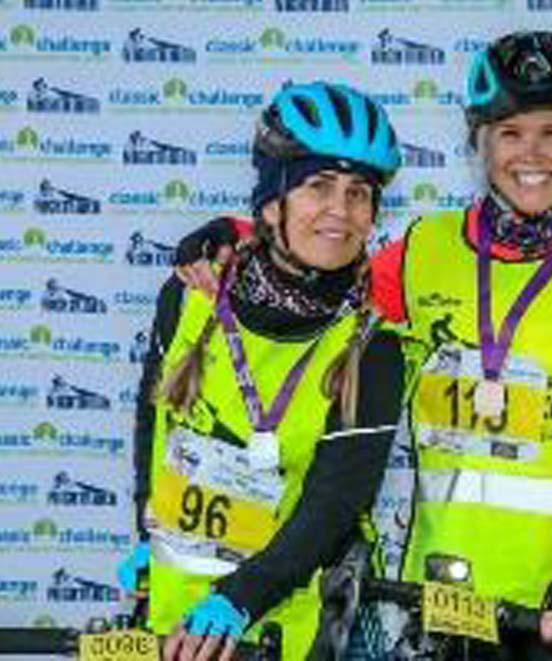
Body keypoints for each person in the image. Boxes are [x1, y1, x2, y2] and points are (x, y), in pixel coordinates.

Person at [171, 30, 552, 658]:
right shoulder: (425, 249)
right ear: (480, 145)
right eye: (509, 133)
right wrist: (235, 232)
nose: (532, 154)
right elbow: (323, 263)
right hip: (435, 604)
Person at [116, 81, 405, 661]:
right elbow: (156, 424)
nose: (340, 212)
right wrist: (148, 527)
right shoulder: (192, 295)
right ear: (273, 202)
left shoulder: (372, 347)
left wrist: (237, 601)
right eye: (318, 187)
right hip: (172, 614)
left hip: (284, 628)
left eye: (358, 194)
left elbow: (331, 508)